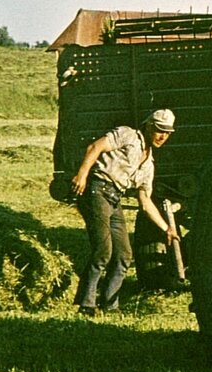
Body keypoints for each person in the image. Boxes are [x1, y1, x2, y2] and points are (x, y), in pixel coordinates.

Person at [69, 109, 180, 316]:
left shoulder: (148, 163)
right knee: (103, 251)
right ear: (148, 126)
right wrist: (82, 175)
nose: (162, 136)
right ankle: (86, 304)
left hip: (114, 197)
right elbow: (95, 146)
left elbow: (145, 201)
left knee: (124, 255)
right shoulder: (128, 135)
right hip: (97, 189)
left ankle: (110, 305)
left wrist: (167, 228)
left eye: (167, 132)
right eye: (158, 130)